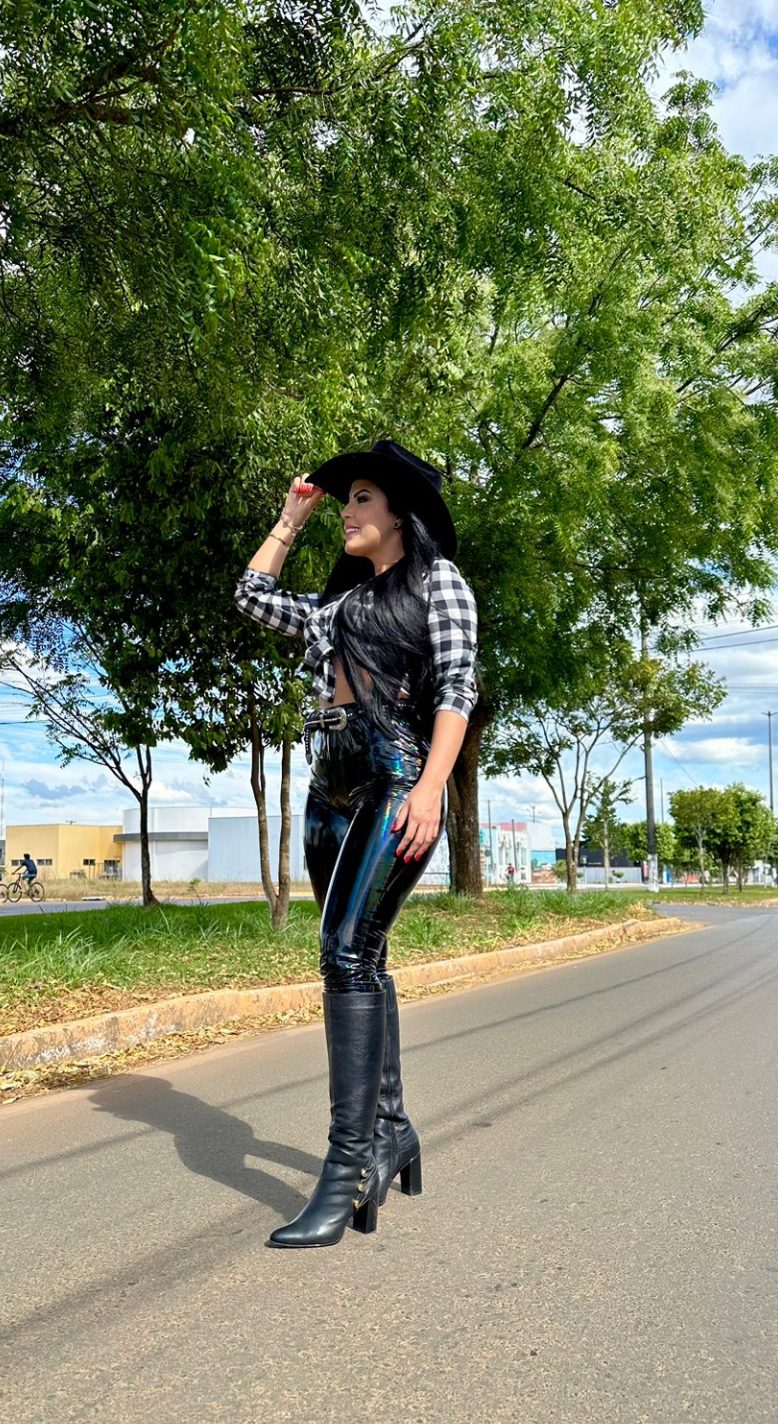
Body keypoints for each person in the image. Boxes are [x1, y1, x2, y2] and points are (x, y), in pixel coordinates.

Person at [234, 439, 478, 1248]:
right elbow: (251, 594)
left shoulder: (439, 583)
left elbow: (457, 688)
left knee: (342, 953)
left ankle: (346, 1169)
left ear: (400, 516)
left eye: (362, 498)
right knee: (361, 957)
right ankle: (393, 1129)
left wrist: (431, 787)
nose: (348, 510)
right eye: (346, 501)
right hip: (329, 790)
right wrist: (289, 520)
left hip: (396, 777)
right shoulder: (336, 608)